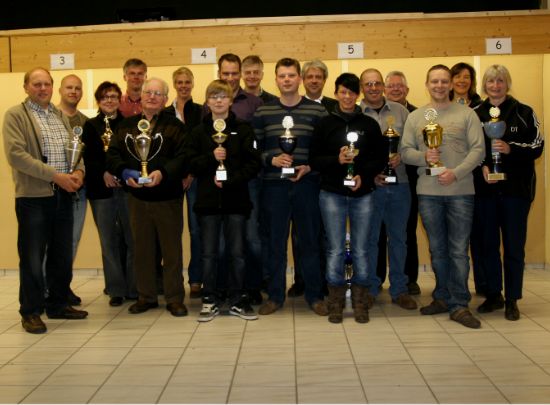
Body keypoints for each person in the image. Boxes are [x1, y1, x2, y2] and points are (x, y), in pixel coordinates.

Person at [2, 67, 89, 334]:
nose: (42, 89)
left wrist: (78, 172)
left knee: (62, 254)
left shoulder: (59, 115)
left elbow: (75, 149)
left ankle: (58, 303)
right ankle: (30, 311)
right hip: (34, 198)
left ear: (53, 87)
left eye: (46, 84)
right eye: (36, 84)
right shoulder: (16, 115)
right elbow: (16, 155)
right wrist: (55, 176)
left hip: (63, 195)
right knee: (32, 257)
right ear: (26, 87)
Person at [401, 64, 485, 329]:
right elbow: (405, 152)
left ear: (450, 84)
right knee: (437, 249)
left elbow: (479, 150)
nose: (439, 85)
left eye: (443, 81)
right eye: (434, 81)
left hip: (460, 191)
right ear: (427, 84)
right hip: (428, 192)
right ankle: (441, 296)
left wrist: (455, 173)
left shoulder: (467, 114)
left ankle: (459, 304)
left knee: (458, 251)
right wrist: (424, 156)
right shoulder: (416, 117)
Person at [106, 77, 188, 317]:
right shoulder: (126, 126)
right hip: (137, 199)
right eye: (148, 92)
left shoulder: (176, 126)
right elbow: (112, 155)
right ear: (141, 96)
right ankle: (146, 296)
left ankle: (174, 298)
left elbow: (184, 157)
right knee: (142, 250)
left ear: (165, 99)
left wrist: (163, 173)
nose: (152, 97)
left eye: (158, 93)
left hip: (168, 198)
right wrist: (124, 172)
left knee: (172, 251)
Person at [253, 57, 328, 316]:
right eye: (282, 76)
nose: (287, 80)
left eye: (291, 75)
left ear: (299, 78)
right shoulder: (263, 112)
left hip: (307, 185)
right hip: (273, 187)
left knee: (309, 242)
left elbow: (324, 151)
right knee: (275, 243)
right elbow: (253, 149)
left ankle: (315, 296)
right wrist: (270, 159)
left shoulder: (317, 112)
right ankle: (275, 296)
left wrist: (311, 166)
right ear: (276, 79)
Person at [309, 72, 386, 323]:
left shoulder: (369, 124)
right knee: (334, 249)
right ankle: (336, 301)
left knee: (361, 249)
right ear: (336, 93)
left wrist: (363, 174)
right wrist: (337, 160)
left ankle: (360, 302)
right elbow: (314, 159)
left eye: (352, 93)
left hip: (363, 194)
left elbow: (379, 158)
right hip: (331, 193)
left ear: (357, 95)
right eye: (343, 92)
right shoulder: (324, 124)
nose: (347, 97)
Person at [186, 80, 262, 322]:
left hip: (236, 200)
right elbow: (191, 164)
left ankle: (237, 299)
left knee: (237, 253)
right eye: (213, 96)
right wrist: (212, 157)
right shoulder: (198, 132)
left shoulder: (243, 129)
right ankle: (210, 299)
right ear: (207, 102)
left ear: (231, 100)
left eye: (223, 96)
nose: (218, 101)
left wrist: (231, 180)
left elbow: (253, 164)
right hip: (208, 202)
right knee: (209, 253)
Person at [473, 64, 544, 321]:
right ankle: (494, 294)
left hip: (516, 192)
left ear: (507, 83)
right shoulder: (474, 113)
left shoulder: (524, 112)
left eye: (500, 81)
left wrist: (510, 148)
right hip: (485, 191)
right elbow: (467, 148)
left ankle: (512, 298)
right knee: (488, 245)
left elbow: (537, 146)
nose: (495, 86)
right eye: (491, 81)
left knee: (514, 247)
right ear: (484, 85)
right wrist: (482, 165)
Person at [359, 68, 417, 311]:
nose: (373, 88)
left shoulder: (401, 112)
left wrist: (401, 156)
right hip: (371, 188)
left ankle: (399, 289)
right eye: (368, 84)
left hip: (400, 184)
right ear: (362, 88)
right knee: (370, 240)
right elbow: (354, 153)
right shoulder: (357, 114)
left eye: (377, 83)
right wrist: (371, 173)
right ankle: (371, 289)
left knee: (399, 239)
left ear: (383, 86)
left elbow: (413, 144)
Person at [81, 81, 136, 307]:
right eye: (105, 97)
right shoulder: (90, 126)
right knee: (108, 241)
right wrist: (103, 172)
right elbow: (88, 158)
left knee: (132, 239)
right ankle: (115, 289)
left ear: (119, 99)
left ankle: (133, 287)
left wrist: (120, 172)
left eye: (113, 96)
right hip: (100, 191)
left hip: (126, 188)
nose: (109, 101)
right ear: (98, 101)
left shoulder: (129, 124)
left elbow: (131, 155)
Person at [164, 67, 203, 299]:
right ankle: (172, 282)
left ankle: (196, 279)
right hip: (171, 181)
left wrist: (191, 173)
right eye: (179, 82)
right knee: (172, 232)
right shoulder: (165, 113)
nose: (183, 86)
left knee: (196, 230)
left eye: (187, 82)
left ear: (193, 83)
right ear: (174, 84)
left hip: (195, 179)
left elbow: (202, 145)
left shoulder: (201, 111)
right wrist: (177, 173)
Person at [449, 62, 486, 296]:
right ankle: (452, 287)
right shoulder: (441, 108)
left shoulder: (483, 108)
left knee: (478, 236)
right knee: (453, 241)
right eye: (458, 76)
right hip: (450, 180)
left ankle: (483, 285)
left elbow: (483, 145)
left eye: (466, 77)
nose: (462, 81)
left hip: (478, 179)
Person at [384, 70, 421, 295]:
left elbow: (423, 147)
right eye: (391, 86)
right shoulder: (377, 112)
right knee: (379, 233)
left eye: (400, 86)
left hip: (410, 183)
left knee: (407, 232)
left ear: (407, 90)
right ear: (384, 90)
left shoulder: (419, 115)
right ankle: (377, 278)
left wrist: (405, 156)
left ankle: (409, 279)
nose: (395, 89)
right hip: (379, 183)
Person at [56, 74, 89, 305]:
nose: (73, 91)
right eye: (69, 87)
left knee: (72, 241)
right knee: (52, 243)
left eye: (77, 88)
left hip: (78, 190)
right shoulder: (51, 117)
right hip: (54, 189)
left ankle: (62, 286)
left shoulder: (85, 122)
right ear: (60, 90)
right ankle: (46, 288)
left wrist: (80, 175)